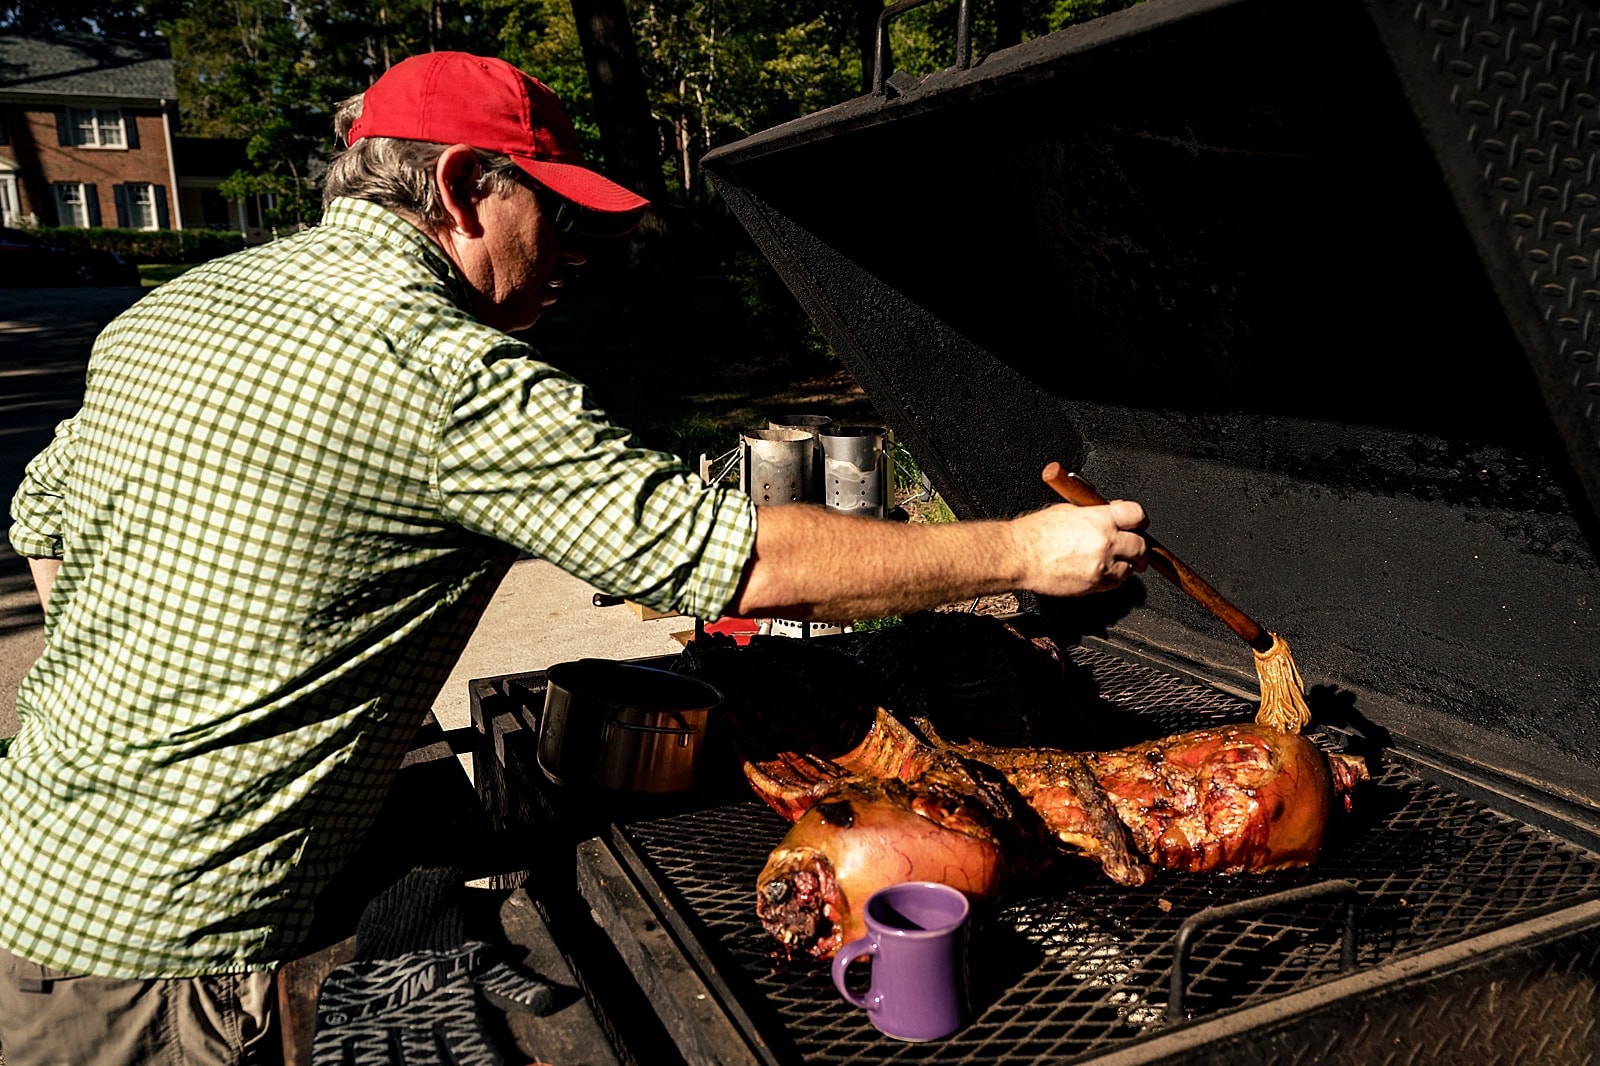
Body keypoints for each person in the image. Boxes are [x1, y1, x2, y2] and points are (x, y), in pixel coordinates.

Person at [0, 51, 1147, 1065]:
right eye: (555, 209)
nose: (580, 252)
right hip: (165, 961)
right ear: (460, 189)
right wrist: (1020, 547)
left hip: (33, 848)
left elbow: (42, 530)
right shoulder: (441, 369)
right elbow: (732, 559)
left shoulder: (180, 304)